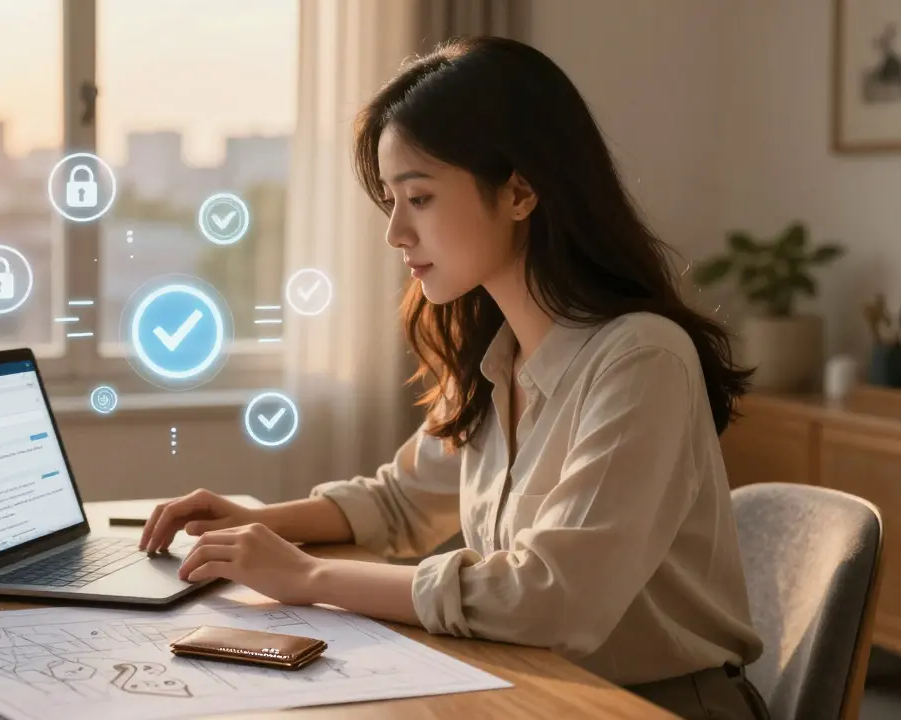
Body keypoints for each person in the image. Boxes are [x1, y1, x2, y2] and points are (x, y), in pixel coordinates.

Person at [140, 37, 769, 720]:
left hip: (657, 707)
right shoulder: (498, 356)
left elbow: (555, 598)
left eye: (419, 197)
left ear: (521, 190)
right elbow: (401, 503)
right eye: (390, 200)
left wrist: (309, 577)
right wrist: (258, 522)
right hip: (539, 686)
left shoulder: (642, 360)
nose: (396, 233)